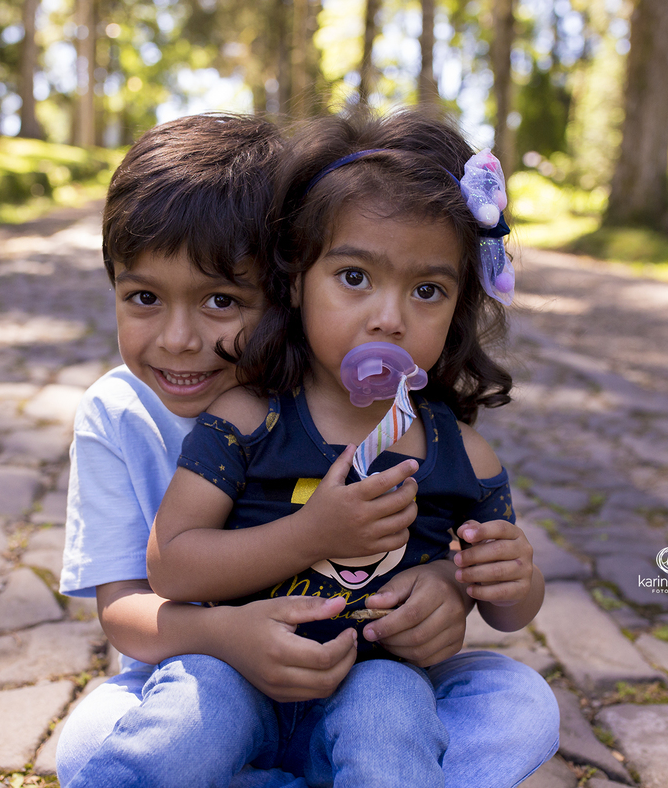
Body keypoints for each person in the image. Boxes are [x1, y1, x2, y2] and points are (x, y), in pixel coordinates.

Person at [57, 111, 559, 788]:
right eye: (144, 297)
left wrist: (454, 591)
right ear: (304, 281)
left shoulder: (445, 442)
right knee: (90, 745)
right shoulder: (167, 416)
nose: (180, 339)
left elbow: (476, 567)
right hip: (199, 670)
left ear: (278, 289)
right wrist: (239, 621)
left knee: (519, 705)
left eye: (222, 301)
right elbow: (133, 601)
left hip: (372, 680)